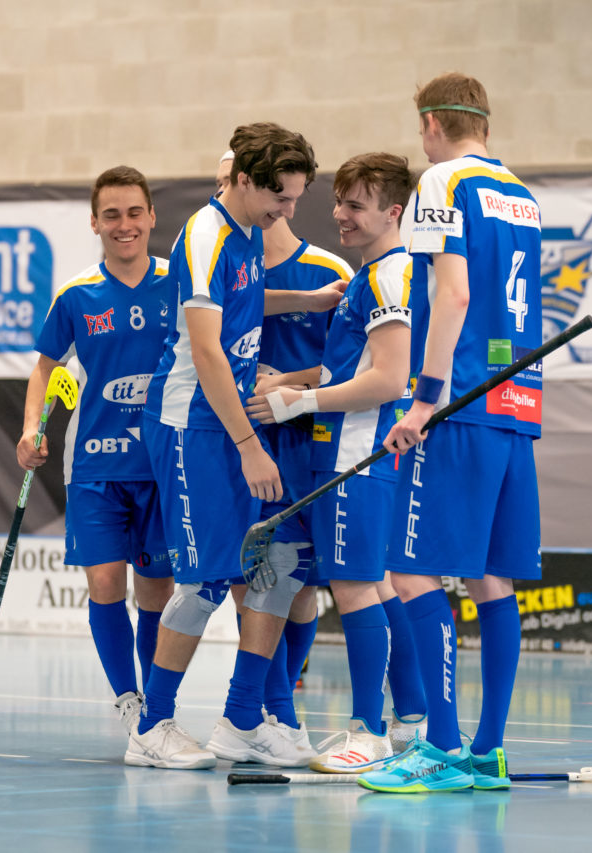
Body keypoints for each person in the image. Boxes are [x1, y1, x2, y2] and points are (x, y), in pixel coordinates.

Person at [129, 122, 343, 770]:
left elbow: (243, 303)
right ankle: (151, 725)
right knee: (200, 583)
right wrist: (250, 444)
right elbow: (206, 347)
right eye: (280, 197)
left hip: (226, 423)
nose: (288, 212)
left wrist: (306, 298)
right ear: (243, 180)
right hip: (192, 424)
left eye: (297, 199)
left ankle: (246, 718)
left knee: (273, 565)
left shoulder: (248, 232)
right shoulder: (206, 234)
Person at [357, 72, 545, 794]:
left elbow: (455, 291)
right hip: (518, 408)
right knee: (492, 577)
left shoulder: (442, 183)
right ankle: (487, 751)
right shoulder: (521, 195)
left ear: (433, 124)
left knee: (410, 570)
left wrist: (422, 400)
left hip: (458, 405)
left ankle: (437, 744)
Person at [247, 152, 430, 773]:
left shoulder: (386, 278)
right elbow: (345, 368)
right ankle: (410, 720)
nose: (340, 216)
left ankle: (367, 733)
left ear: (393, 212)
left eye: (355, 205)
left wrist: (299, 401)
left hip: (357, 453)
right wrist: (290, 380)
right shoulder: (377, 274)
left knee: (356, 587)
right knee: (375, 584)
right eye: (339, 202)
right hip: (350, 450)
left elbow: (387, 380)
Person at [17, 166, 175, 734]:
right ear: (94, 222)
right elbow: (43, 369)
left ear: (152, 216)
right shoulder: (77, 294)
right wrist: (31, 427)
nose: (124, 224)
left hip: (161, 464)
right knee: (106, 582)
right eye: (112, 214)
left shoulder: (179, 282)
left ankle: (160, 711)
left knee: (156, 591)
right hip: (95, 469)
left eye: (135, 212)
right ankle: (130, 701)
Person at [234, 147, 354, 747]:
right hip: (236, 443)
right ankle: (271, 713)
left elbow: (355, 366)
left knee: (299, 585)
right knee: (248, 578)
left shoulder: (328, 270)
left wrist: (289, 383)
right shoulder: (221, 262)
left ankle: (275, 708)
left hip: (307, 447)